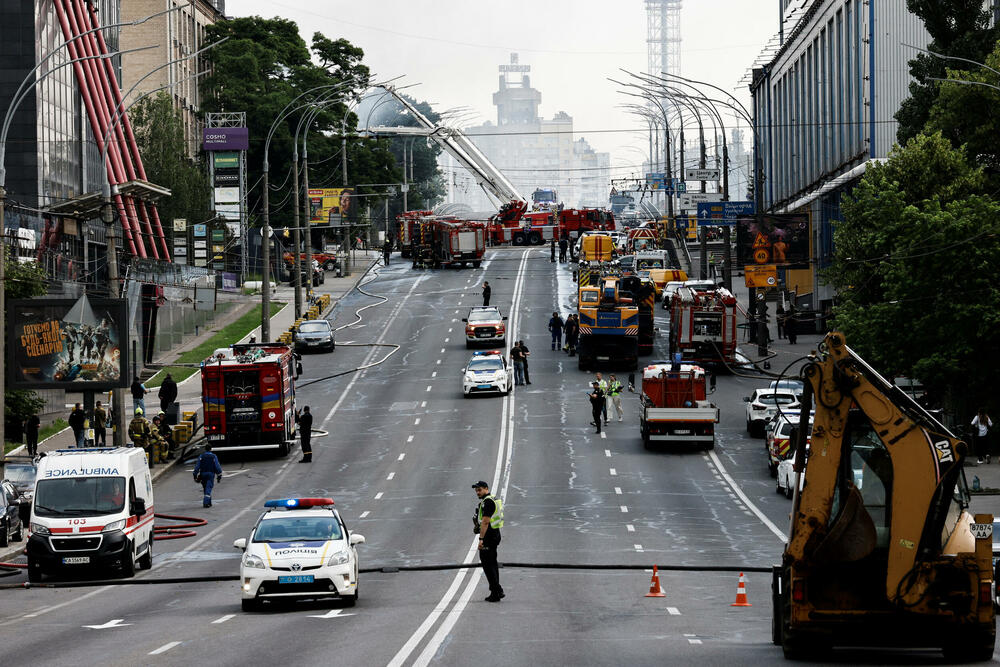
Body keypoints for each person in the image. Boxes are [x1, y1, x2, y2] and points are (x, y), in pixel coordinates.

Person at [472, 480, 504, 602]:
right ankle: (496, 591)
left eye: (479, 490)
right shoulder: (492, 499)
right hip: (495, 534)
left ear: (486, 488)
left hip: (489, 537)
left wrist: (481, 539)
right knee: (492, 563)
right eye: (476, 490)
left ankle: (497, 590)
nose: (477, 492)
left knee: (487, 564)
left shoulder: (488, 502)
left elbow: (485, 521)